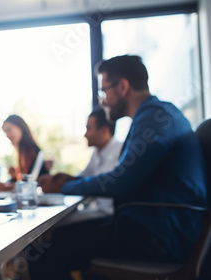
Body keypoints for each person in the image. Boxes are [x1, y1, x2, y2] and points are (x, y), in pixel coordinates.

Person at [30, 55, 207, 279]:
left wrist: (64, 187)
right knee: (58, 238)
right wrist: (71, 182)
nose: (103, 101)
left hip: (163, 235)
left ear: (123, 86)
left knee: (44, 252)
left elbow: (120, 182)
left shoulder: (154, 118)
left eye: (105, 91)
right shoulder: (158, 115)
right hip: (162, 225)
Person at [0, 115, 49, 192]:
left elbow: (27, 185)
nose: (8, 135)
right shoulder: (22, 152)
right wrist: (14, 176)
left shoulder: (32, 151)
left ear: (20, 127)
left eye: (9, 130)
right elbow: (21, 181)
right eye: (5, 133)